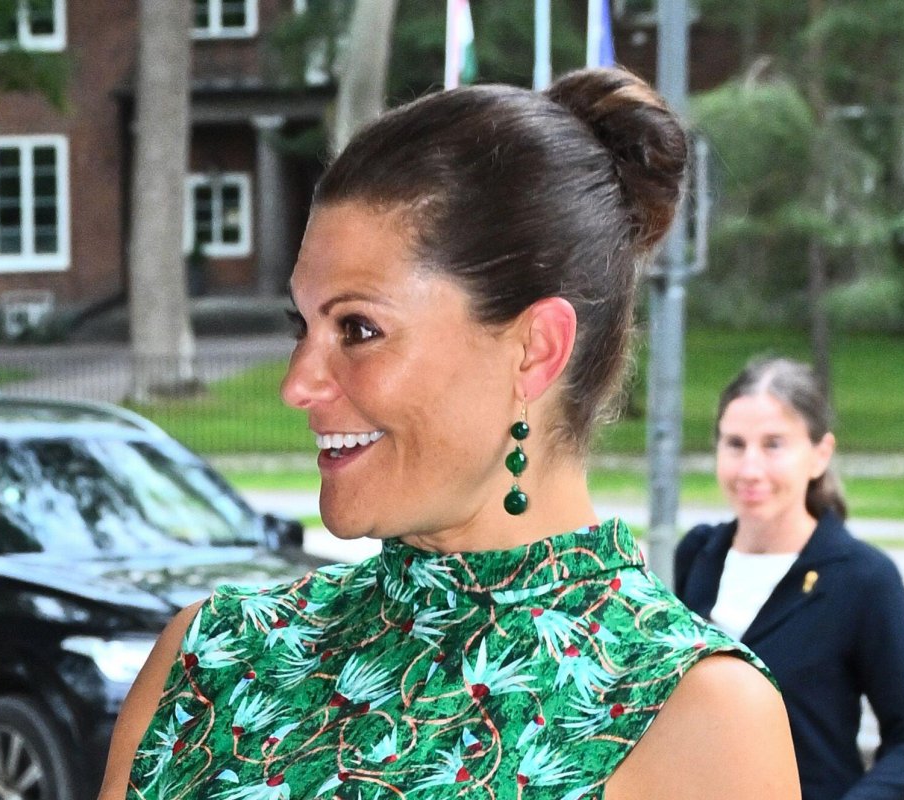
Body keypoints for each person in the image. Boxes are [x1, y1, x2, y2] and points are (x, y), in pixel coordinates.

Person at [99, 67, 799, 800]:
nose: (297, 383)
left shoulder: (695, 714)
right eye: (300, 327)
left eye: (358, 329)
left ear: (535, 350)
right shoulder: (212, 657)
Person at [674, 357, 904, 800]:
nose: (750, 469)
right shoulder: (698, 555)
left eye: (773, 445)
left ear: (820, 454)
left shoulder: (863, 578)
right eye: (735, 444)